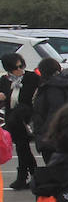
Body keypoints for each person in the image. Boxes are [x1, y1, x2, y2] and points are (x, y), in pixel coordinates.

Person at [30, 59, 68, 163]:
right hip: (65, 134)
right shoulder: (64, 85)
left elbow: (55, 112)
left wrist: (44, 133)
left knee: (54, 169)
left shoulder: (52, 88)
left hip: (53, 136)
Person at [1, 54, 37, 189]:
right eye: (16, 67)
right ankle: (29, 176)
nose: (19, 69)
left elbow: (31, 97)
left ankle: (25, 176)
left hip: (27, 119)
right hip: (13, 120)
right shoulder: (4, 80)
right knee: (22, 148)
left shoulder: (31, 77)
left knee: (23, 148)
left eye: (21, 65)